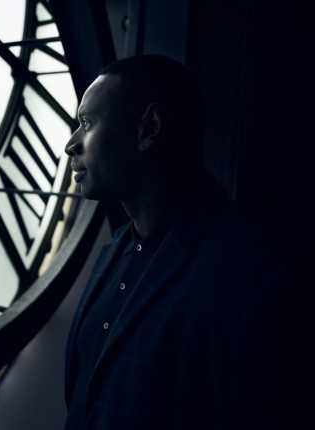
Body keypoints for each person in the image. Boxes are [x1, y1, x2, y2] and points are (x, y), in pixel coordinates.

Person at [62, 54, 306, 429]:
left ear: (149, 129)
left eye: (87, 123)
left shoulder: (258, 276)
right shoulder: (113, 252)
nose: (71, 144)